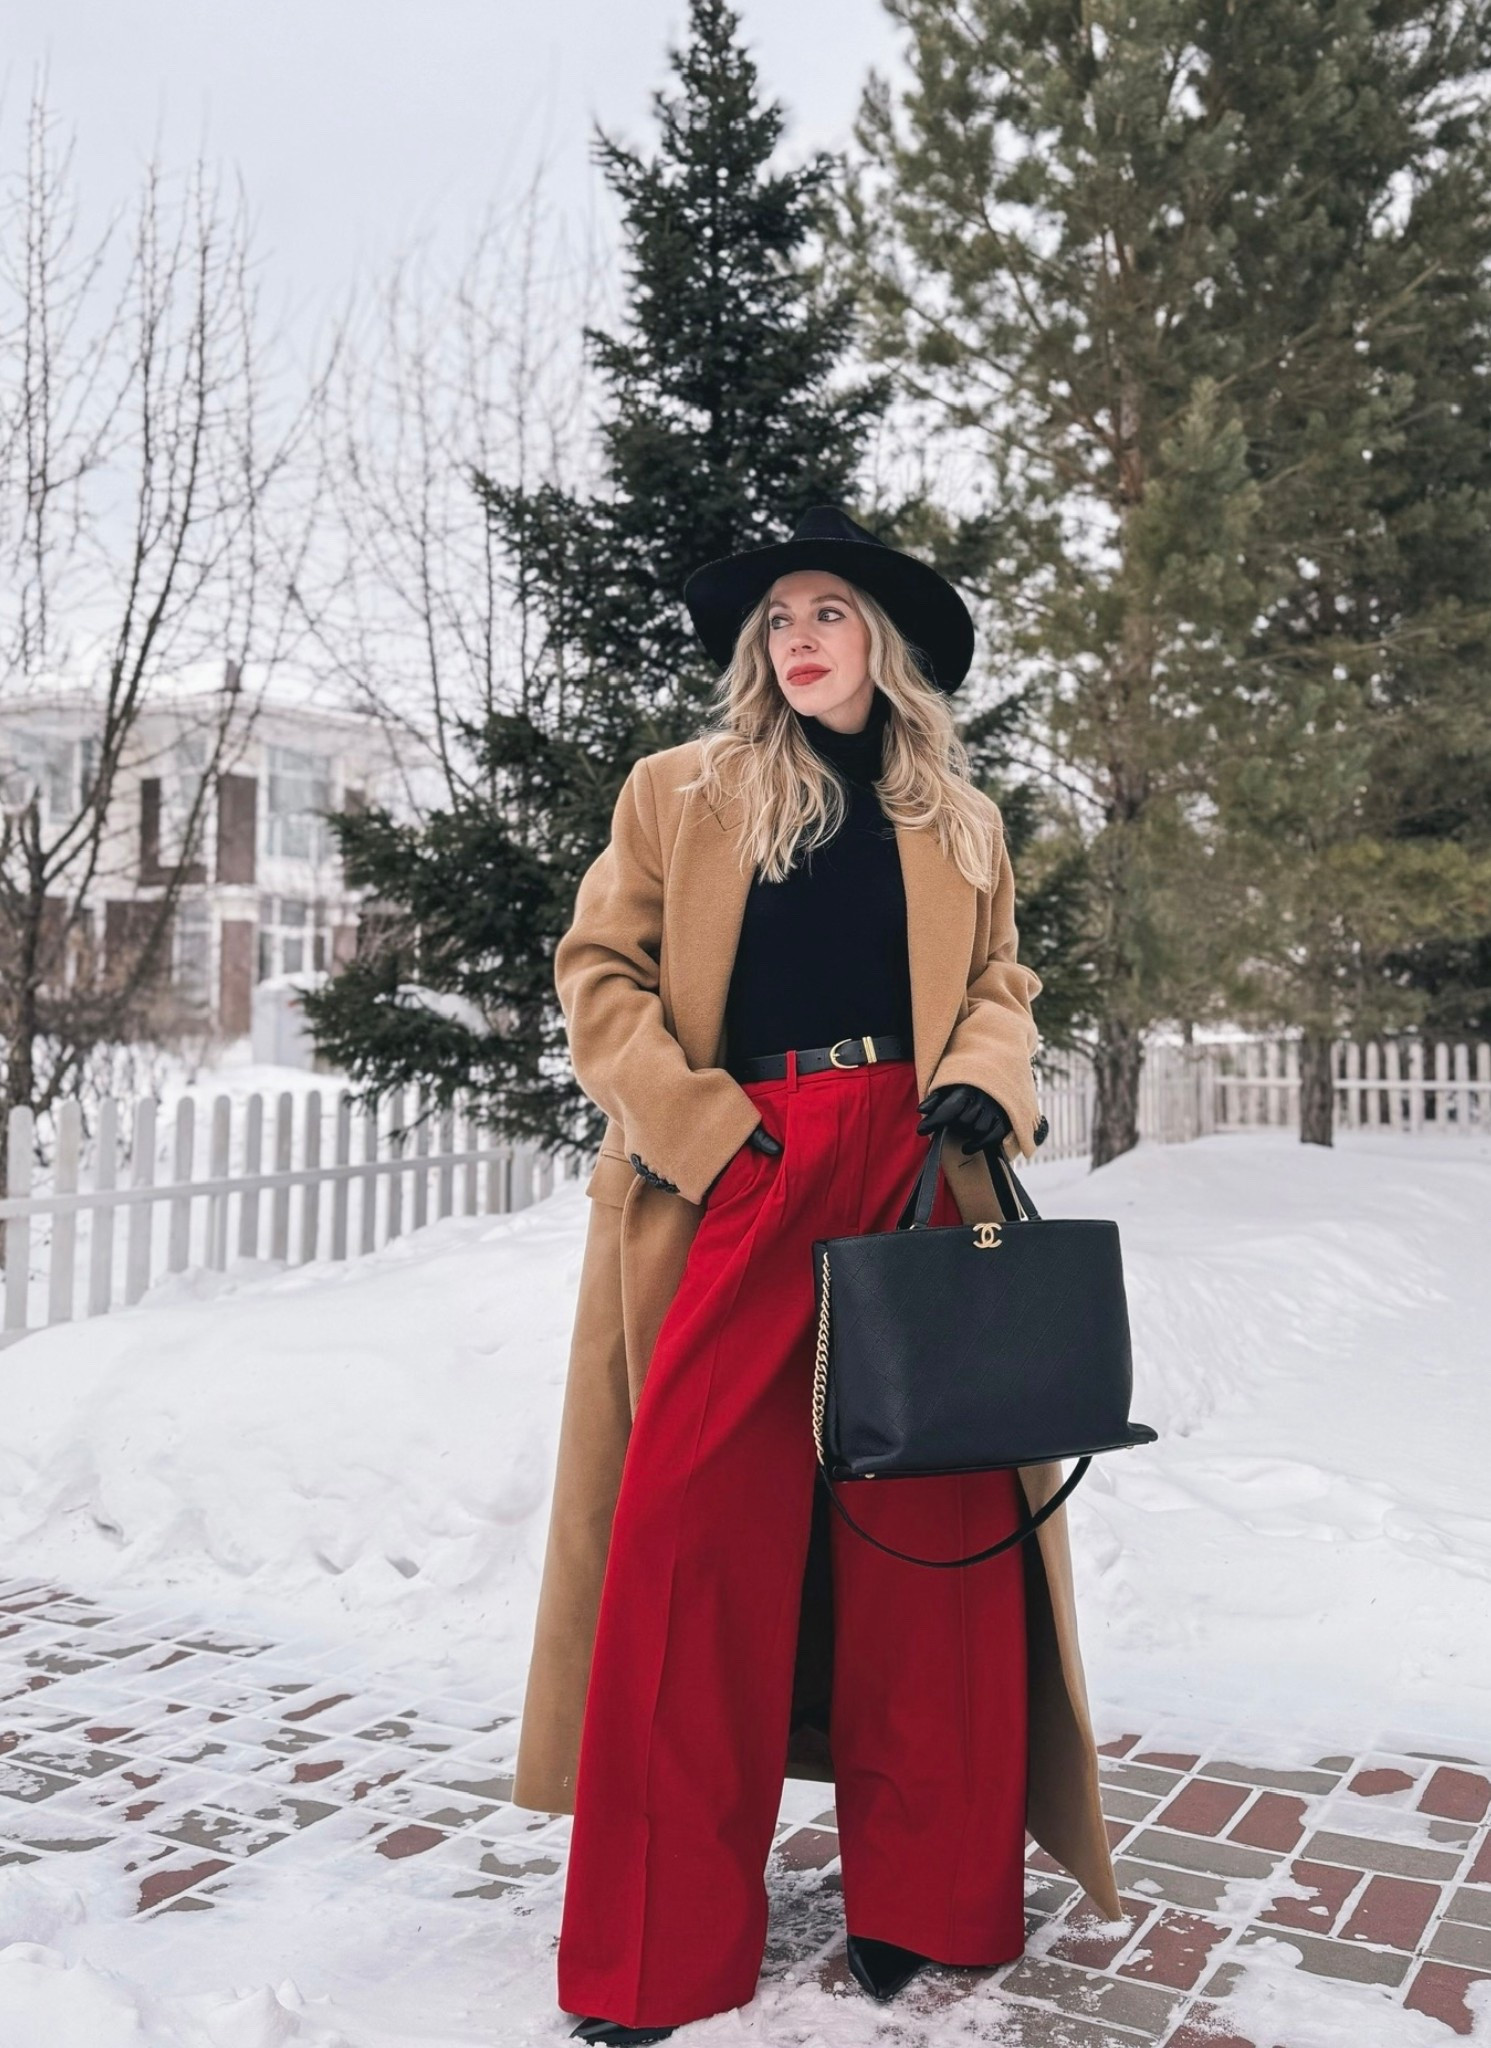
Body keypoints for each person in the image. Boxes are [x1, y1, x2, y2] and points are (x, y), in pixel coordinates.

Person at [513, 507, 1121, 2043]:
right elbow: (601, 975)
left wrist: (992, 1072)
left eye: (828, 611)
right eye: (778, 615)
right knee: (689, 1540)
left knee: (934, 1543)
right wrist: (707, 1136)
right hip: (744, 1166)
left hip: (920, 1169)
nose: (798, 636)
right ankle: (654, 1951)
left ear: (881, 647)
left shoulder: (957, 816)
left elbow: (1003, 982)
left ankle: (930, 1905)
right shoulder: (680, 792)